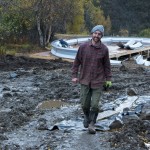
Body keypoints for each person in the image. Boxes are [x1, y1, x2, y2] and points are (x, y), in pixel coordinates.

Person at [71, 25, 112, 134]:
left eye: (99, 34)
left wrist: (108, 79)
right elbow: (76, 63)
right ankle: (86, 116)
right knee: (84, 104)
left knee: (95, 105)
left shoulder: (104, 49)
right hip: (84, 79)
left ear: (101, 36)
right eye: (95, 33)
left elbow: (107, 65)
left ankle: (92, 123)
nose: (96, 36)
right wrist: (74, 76)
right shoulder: (83, 47)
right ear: (92, 33)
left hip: (98, 81)